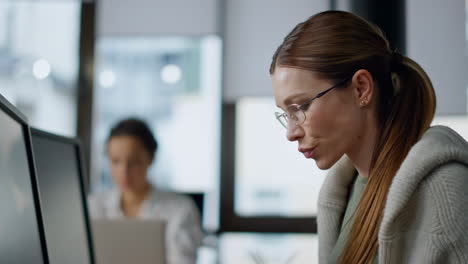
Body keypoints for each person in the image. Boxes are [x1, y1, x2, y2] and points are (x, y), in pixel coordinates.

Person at [270, 10, 468, 264]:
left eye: (301, 107)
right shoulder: (343, 192)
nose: (291, 133)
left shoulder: (447, 192)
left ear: (361, 88)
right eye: (286, 114)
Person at [88, 118, 203, 264]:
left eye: (133, 162)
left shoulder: (180, 209)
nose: (124, 171)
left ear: (151, 158)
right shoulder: (92, 206)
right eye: (115, 161)